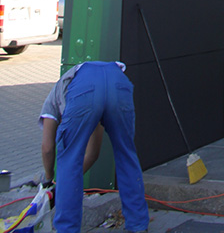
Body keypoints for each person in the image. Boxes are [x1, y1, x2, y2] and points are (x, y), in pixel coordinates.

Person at [39, 61, 149, 233]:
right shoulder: (72, 88)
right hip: (118, 81)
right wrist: (66, 180)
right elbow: (92, 154)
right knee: (126, 155)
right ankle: (138, 225)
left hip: (85, 88)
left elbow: (47, 148)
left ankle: (67, 229)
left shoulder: (52, 102)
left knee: (68, 161)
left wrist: (49, 179)